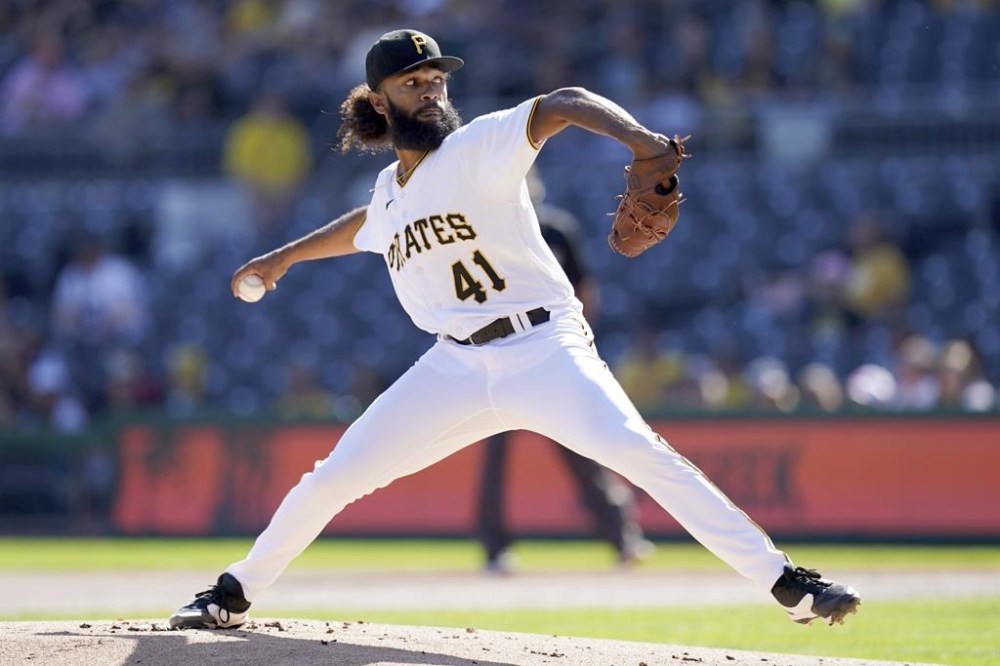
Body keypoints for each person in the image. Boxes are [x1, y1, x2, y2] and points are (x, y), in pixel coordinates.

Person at [169, 28, 861, 630]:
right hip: (453, 367)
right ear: (379, 101)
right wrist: (284, 256)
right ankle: (232, 593)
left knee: (644, 455)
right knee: (332, 478)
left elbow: (559, 104)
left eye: (438, 78)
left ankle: (787, 583)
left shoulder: (477, 148)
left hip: (544, 348)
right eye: (414, 82)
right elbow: (362, 227)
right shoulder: (389, 191)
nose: (433, 90)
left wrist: (643, 142)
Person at [476, 180, 652, 573]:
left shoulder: (555, 229)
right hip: (502, 355)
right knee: (495, 457)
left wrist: (580, 338)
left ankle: (623, 536)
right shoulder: (487, 232)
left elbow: (585, 287)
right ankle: (494, 547)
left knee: (582, 448)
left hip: (552, 351)